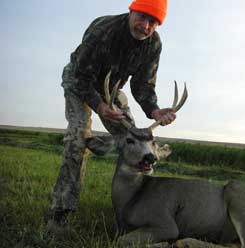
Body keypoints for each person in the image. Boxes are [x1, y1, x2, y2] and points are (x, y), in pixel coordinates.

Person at [47, 0, 175, 233]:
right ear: (131, 10)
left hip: (112, 90)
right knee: (78, 141)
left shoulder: (153, 44)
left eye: (153, 22)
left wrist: (154, 110)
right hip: (79, 83)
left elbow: (143, 85)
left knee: (135, 141)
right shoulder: (103, 31)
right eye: (142, 17)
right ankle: (61, 214)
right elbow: (80, 76)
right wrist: (98, 105)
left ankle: (133, 206)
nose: (145, 26)